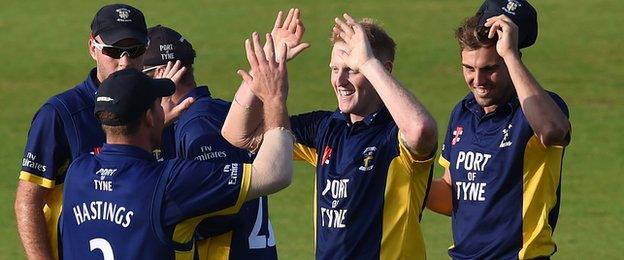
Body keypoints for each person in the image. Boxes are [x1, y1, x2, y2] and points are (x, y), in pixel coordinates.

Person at [60, 31, 292, 259]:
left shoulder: (78, 171)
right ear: (150, 117)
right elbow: (274, 174)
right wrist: (273, 98)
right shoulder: (169, 183)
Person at [222, 13, 438, 259]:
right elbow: (237, 134)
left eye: (351, 69)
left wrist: (367, 62)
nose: (339, 80)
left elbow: (421, 130)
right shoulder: (326, 128)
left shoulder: (396, 135)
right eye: (335, 69)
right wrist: (264, 67)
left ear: (383, 69)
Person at [12, 4, 192, 260]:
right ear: (92, 48)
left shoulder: (158, 107)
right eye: (113, 51)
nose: (125, 62)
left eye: (135, 51)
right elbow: (27, 202)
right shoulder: (60, 114)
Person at [425, 0, 571, 259]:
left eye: (490, 69)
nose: (478, 81)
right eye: (469, 68)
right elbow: (451, 195)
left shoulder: (539, 109)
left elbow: (552, 132)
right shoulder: (462, 112)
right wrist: (405, 180)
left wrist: (510, 54)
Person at [142, 22, 299, 259]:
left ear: (164, 73)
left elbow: (221, 209)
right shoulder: (211, 114)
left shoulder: (198, 125)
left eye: (139, 76)